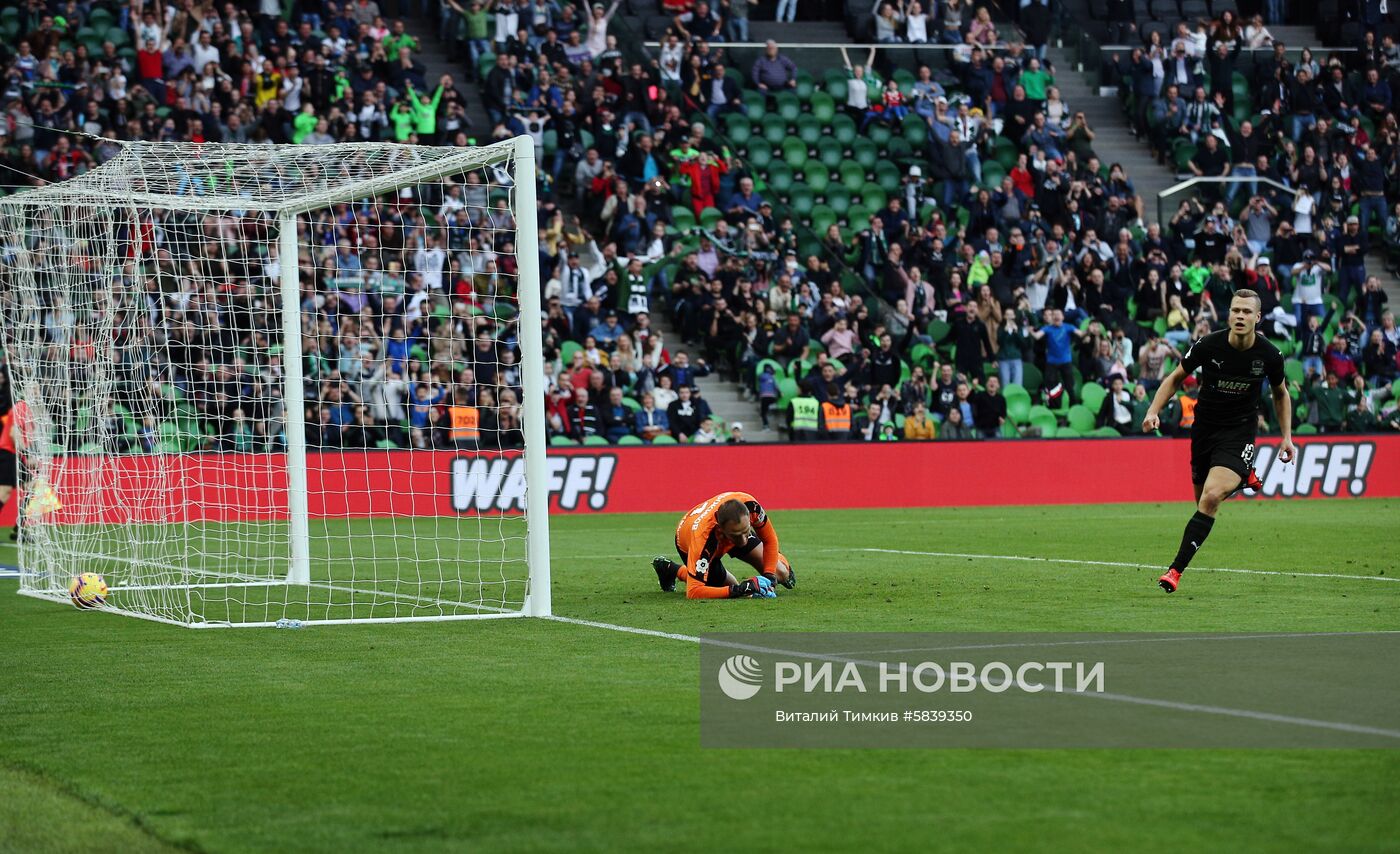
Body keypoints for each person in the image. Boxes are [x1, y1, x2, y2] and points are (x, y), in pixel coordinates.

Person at [1142, 290, 1295, 594]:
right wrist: (1153, 410)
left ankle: (1175, 570)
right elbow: (1174, 378)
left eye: (1247, 312)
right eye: (1236, 310)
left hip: (1238, 432)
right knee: (1203, 502)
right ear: (1228, 315)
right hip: (1204, 431)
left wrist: (1286, 437)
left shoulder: (1269, 355)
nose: (1240, 316)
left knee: (1211, 497)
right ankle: (1241, 477)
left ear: (1257, 318)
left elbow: (1281, 393)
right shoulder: (1208, 344)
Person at [650, 492, 796, 599]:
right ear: (721, 531)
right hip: (688, 538)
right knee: (726, 587)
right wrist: (739, 589)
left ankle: (778, 562)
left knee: (781, 573)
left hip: (724, 526)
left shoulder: (751, 507)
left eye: (747, 532)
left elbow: (770, 539)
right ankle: (672, 569)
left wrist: (769, 576)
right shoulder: (702, 541)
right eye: (737, 536)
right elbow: (694, 592)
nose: (744, 541)